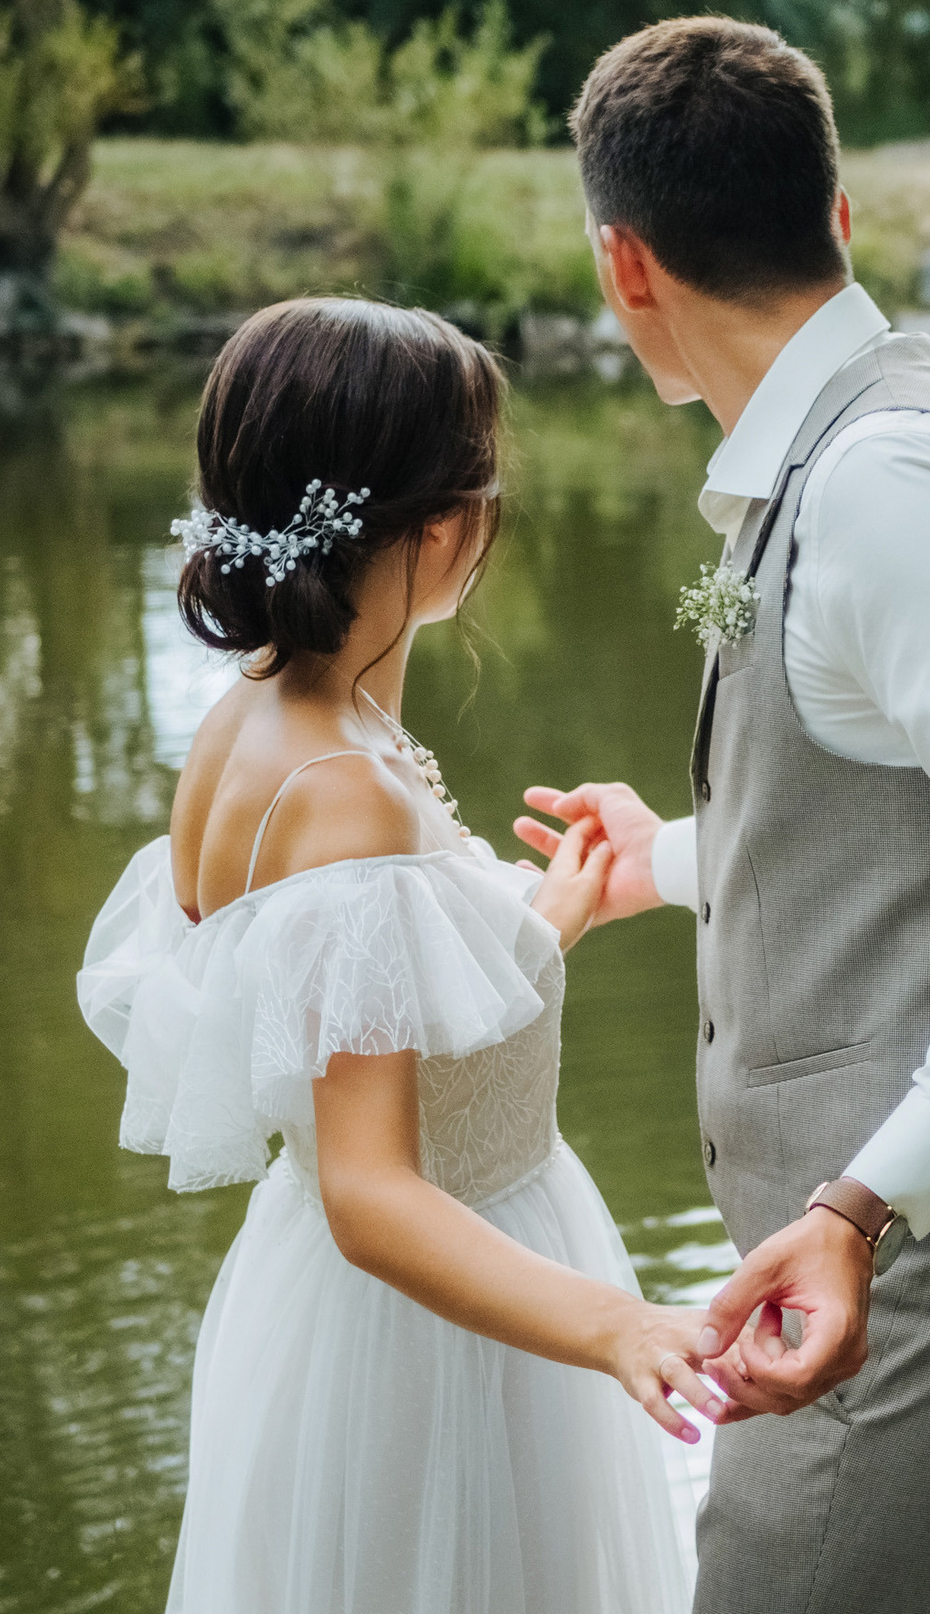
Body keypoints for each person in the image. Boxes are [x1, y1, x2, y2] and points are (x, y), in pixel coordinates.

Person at [516, 17, 930, 1614]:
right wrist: (672, 860)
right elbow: (895, 822)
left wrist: (860, 1208)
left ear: (624, 267)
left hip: (927, 1268)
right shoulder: (840, 455)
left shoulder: (889, 484)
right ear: (839, 216)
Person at [75, 298, 730, 1614]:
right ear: (439, 527)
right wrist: (619, 1324)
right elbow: (372, 1191)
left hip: (323, 1298)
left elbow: (346, 1007)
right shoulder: (345, 792)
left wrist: (543, 922)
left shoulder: (255, 716)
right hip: (442, 1335)